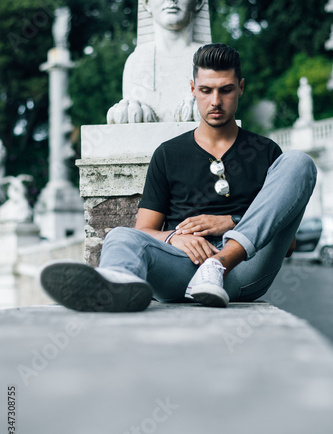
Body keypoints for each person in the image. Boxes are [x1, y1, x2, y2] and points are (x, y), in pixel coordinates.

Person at [40, 43, 317, 312]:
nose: (215, 101)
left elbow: (287, 243)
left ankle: (217, 265)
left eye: (226, 90)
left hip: (243, 269)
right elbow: (144, 231)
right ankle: (115, 287)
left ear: (240, 88)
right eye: (206, 91)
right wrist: (172, 237)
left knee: (299, 161)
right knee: (121, 236)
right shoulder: (168, 154)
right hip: (181, 268)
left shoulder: (265, 151)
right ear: (193, 89)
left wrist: (232, 222)